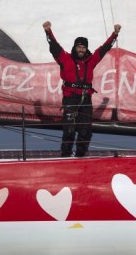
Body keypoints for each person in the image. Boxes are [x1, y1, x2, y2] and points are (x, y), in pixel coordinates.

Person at [43, 21, 121, 157]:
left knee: (85, 131)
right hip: (70, 98)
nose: (81, 49)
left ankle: (80, 156)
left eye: (83, 47)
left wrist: (114, 34)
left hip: (85, 99)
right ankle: (66, 156)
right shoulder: (65, 58)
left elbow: (104, 49)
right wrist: (48, 31)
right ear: (75, 47)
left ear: (86, 49)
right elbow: (54, 47)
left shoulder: (91, 60)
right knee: (69, 130)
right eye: (79, 47)